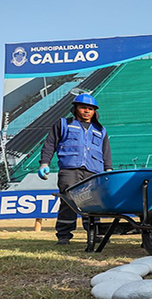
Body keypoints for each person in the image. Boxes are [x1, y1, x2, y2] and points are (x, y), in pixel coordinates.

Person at [38, 94, 112, 245]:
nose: (86, 111)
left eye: (90, 109)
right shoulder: (63, 124)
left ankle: (94, 234)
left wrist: (108, 169)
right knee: (69, 200)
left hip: (93, 171)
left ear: (94, 111)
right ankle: (64, 236)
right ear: (75, 108)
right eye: (83, 107)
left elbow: (106, 151)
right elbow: (50, 144)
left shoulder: (100, 130)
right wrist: (44, 163)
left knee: (93, 202)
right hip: (70, 169)